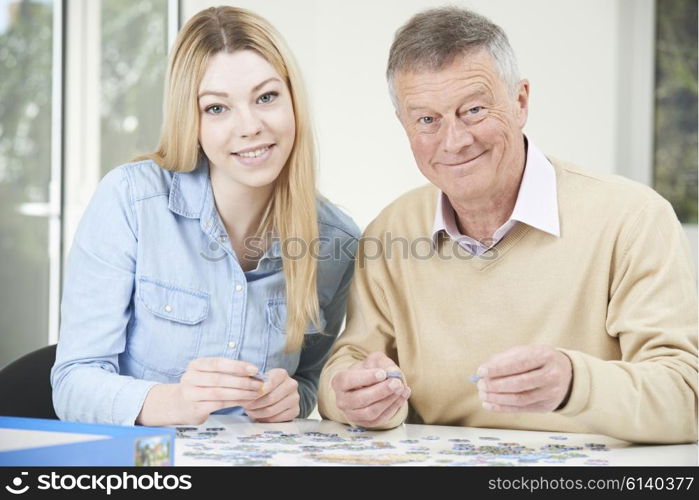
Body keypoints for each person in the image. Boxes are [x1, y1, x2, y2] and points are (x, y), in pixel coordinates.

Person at [318, 6, 697, 443]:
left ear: (520, 102)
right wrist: (350, 395)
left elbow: (686, 398)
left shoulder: (632, 219)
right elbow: (349, 362)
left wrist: (576, 383)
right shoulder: (390, 231)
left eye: (474, 110)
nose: (455, 141)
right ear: (404, 125)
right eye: (427, 120)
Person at [51, 6, 359, 426]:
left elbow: (308, 380)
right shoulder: (130, 201)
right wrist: (172, 402)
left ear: (293, 102)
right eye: (217, 108)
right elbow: (72, 383)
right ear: (190, 120)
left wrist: (293, 399)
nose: (249, 126)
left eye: (266, 97)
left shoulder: (336, 242)